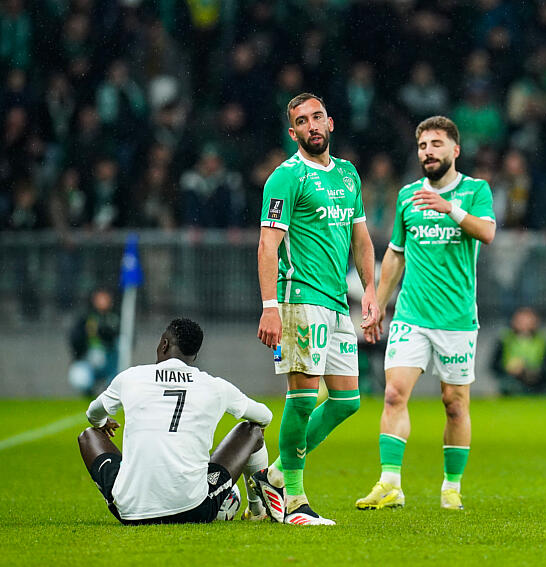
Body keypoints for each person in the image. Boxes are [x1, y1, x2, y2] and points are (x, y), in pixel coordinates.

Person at [355, 115, 496, 511]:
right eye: (422, 146)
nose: (428, 152)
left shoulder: (475, 190)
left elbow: (487, 233)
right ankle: (390, 483)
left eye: (436, 144)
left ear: (455, 149)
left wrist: (448, 208)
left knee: (454, 402)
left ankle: (451, 486)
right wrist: (378, 305)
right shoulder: (407, 196)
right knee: (394, 393)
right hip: (411, 316)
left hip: (456, 319)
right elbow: (395, 256)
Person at [253, 93, 378, 526]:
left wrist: (372, 295)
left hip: (337, 303)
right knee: (303, 398)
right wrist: (270, 306)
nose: (312, 126)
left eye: (318, 117)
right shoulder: (285, 178)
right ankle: (294, 501)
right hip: (298, 298)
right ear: (293, 133)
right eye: (302, 121)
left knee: (347, 401)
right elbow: (268, 245)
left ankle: (272, 475)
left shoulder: (348, 174)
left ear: (331, 122)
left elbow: (362, 240)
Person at [77, 318, 273, 524]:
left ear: (163, 344)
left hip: (130, 512)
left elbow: (93, 414)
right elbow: (265, 416)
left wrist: (101, 424)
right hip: (193, 509)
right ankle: (256, 509)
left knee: (89, 436)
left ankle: (128, 494)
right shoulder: (215, 386)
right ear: (194, 355)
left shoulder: (131, 377)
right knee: (252, 430)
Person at [491, 306, 546, 395]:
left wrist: (533, 371)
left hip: (539, 383)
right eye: (521, 320)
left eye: (527, 320)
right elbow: (494, 365)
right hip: (513, 382)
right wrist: (508, 368)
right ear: (514, 321)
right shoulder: (504, 338)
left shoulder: (543, 339)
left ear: (535, 322)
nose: (524, 324)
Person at [68, 288, 120, 396]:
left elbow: (126, 338)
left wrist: (103, 332)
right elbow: (75, 340)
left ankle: (111, 388)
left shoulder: (116, 317)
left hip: (110, 359)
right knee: (80, 378)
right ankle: (89, 390)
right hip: (88, 359)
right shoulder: (85, 317)